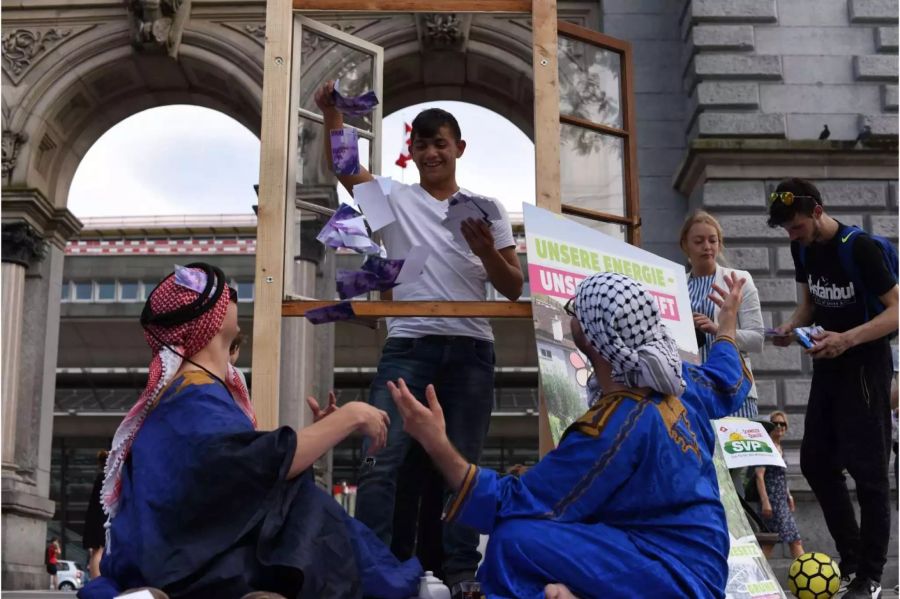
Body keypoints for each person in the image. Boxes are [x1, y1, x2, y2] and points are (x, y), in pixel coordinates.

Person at [390, 271, 754, 599]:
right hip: (702, 564)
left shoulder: (616, 424)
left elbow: (510, 503)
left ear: (595, 338)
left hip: (672, 576)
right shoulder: (681, 382)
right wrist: (727, 324)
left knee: (512, 540)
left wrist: (436, 441)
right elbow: (727, 379)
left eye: (574, 310)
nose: (570, 316)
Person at [78, 263, 421, 599]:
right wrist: (349, 417)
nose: (232, 294)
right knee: (303, 504)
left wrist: (315, 436)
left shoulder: (188, 395)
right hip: (196, 563)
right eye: (222, 293)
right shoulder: (195, 397)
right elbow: (255, 464)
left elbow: (241, 467)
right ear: (207, 323)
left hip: (180, 557)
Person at [315, 81, 523, 591]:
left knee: (460, 463)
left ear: (459, 149)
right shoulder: (393, 199)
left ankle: (460, 574)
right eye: (422, 145)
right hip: (408, 346)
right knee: (381, 460)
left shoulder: (486, 207)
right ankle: (374, 568)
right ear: (411, 153)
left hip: (471, 349)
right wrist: (331, 116)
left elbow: (513, 286)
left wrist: (486, 252)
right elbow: (345, 167)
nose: (431, 153)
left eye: (440, 144)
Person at [768, 178, 898, 599]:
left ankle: (871, 576)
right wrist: (791, 328)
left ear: (818, 211)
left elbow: (897, 310)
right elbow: (809, 305)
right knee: (816, 463)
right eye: (787, 230)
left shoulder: (858, 248)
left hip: (865, 366)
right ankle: (852, 558)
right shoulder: (801, 248)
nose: (792, 235)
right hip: (829, 366)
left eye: (797, 226)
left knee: (870, 474)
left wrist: (848, 339)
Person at [680, 209, 764, 418]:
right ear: (685, 245)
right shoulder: (676, 284)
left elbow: (757, 339)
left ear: (719, 243)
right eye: (698, 241)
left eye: (712, 240)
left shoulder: (739, 281)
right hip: (692, 392)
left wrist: (719, 330)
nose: (707, 247)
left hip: (734, 391)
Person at [754, 411, 804, 558]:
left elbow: (780, 476)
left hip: (781, 501)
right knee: (791, 540)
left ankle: (757, 573)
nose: (779, 426)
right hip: (772, 503)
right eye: (775, 423)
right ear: (769, 427)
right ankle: (807, 577)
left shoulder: (779, 448)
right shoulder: (766, 447)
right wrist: (765, 502)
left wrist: (789, 495)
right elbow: (759, 475)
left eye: (782, 424)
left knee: (772, 541)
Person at [84, 450, 109, 579]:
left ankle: (96, 580)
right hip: (100, 517)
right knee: (98, 550)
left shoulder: (101, 477)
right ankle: (97, 580)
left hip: (96, 517)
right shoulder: (105, 478)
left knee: (97, 550)